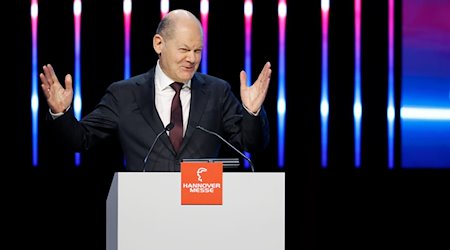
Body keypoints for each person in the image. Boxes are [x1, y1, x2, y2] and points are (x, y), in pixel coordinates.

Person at [39, 9, 271, 171]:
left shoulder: (217, 92)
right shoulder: (124, 95)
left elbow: (251, 144)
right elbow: (80, 140)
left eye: (198, 51)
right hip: (144, 217)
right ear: (158, 44)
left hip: (202, 215)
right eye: (184, 49)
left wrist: (251, 112)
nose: (192, 59)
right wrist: (60, 114)